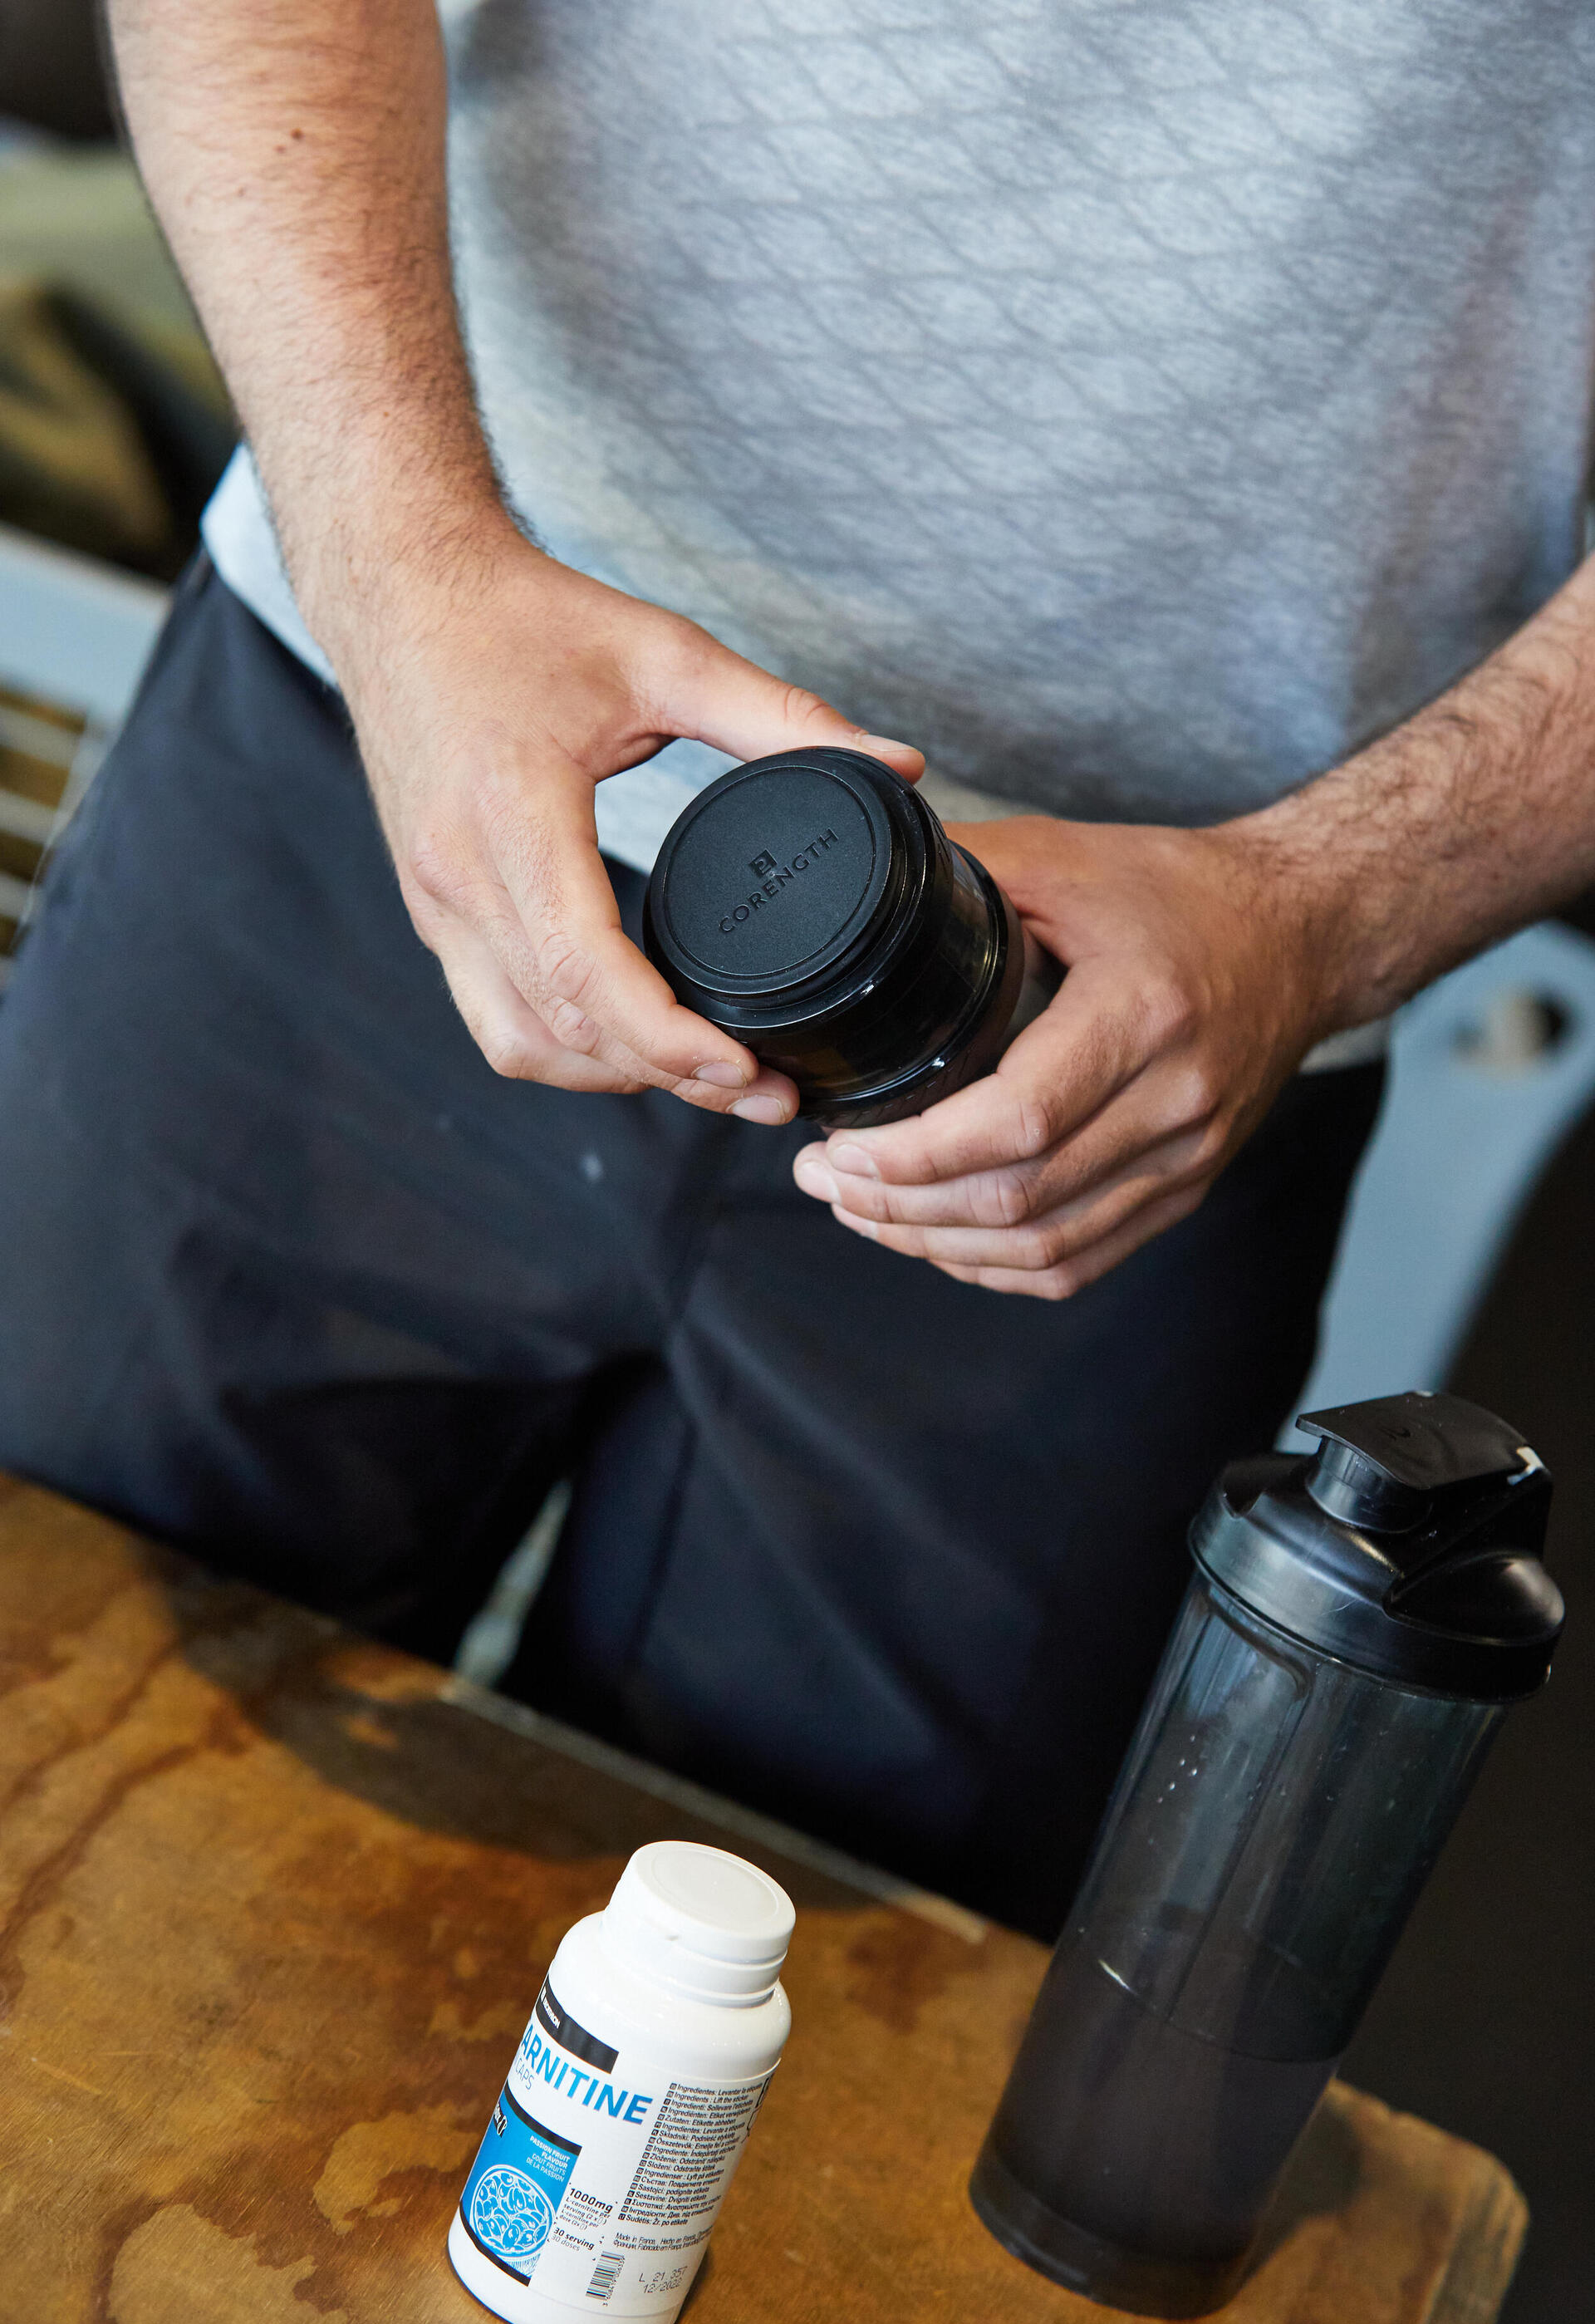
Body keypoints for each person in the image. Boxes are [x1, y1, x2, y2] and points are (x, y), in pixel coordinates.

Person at [2, 0, 1593, 1939]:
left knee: (804, 2053)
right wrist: (403, 564)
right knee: (44, 1794)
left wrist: (1333, 908)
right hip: (381, 754)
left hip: (1144, 1032)